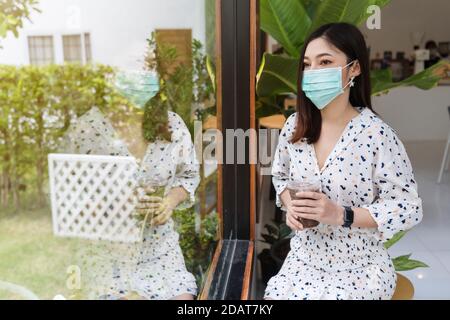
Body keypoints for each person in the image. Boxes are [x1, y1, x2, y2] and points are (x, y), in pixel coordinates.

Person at [264, 23, 423, 300]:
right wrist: (291, 207)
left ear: (354, 69)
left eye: (325, 61)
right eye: (307, 64)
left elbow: (407, 208)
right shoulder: (294, 127)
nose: (313, 72)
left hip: (360, 269)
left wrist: (341, 215)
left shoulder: (377, 135)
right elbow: (280, 178)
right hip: (303, 260)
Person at [60, 78, 200, 300]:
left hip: (160, 249)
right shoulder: (86, 130)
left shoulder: (173, 125)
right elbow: (65, 199)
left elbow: (188, 175)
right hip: (106, 254)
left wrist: (169, 203)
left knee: (183, 299)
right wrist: (114, 207)